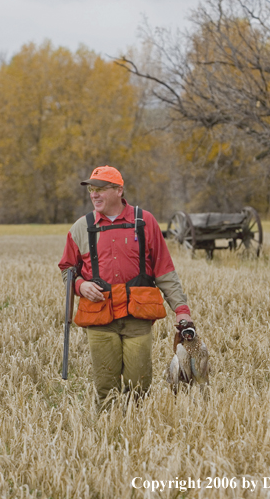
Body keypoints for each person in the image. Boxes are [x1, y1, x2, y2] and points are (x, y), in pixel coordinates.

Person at [59, 165, 192, 404]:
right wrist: (80, 286)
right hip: (100, 319)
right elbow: (67, 270)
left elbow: (164, 270)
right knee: (106, 389)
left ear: (119, 190)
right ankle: (108, 436)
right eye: (91, 189)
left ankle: (137, 433)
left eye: (100, 188)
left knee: (139, 385)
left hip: (137, 319)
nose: (94, 194)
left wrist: (182, 311)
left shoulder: (144, 222)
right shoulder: (80, 227)